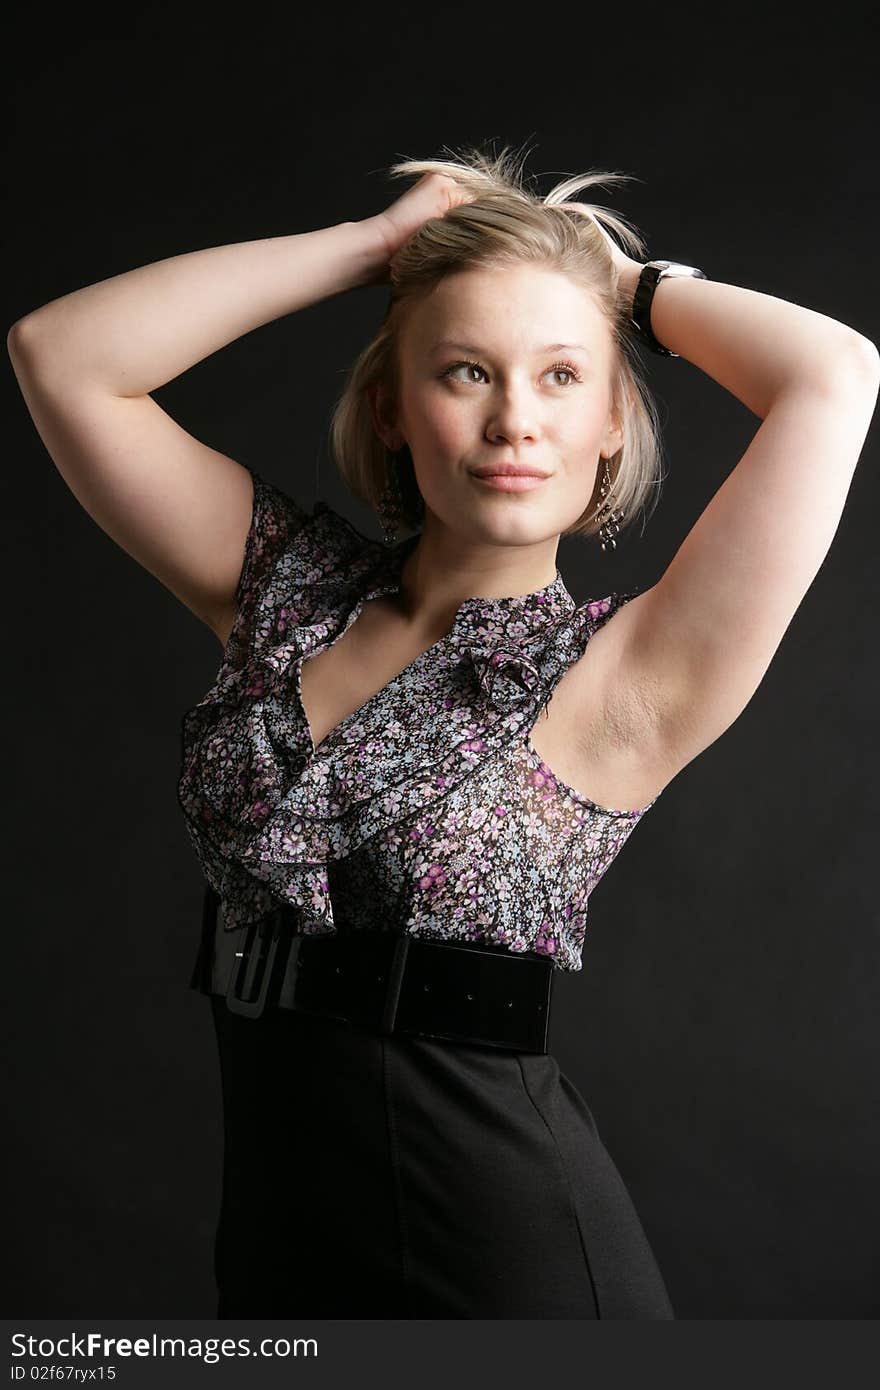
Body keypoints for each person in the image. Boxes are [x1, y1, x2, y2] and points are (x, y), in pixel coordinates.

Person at [9, 143, 878, 1320]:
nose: (515, 418)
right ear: (391, 405)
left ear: (614, 420)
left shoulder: (626, 677)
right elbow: (62, 358)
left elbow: (834, 371)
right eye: (466, 370)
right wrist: (373, 251)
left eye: (563, 377)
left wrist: (608, 285)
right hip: (275, 1238)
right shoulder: (285, 592)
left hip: (505, 1254)